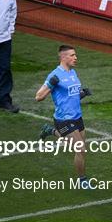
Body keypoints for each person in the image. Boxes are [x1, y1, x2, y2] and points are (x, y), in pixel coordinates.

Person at [36, 45, 93, 188]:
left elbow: (71, 97)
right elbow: (38, 97)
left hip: (77, 117)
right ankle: (82, 181)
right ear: (63, 57)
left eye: (75, 55)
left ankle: (50, 131)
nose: (76, 58)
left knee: (76, 147)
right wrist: (50, 84)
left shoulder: (73, 73)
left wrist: (82, 94)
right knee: (80, 149)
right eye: (72, 55)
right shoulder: (55, 75)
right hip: (64, 119)